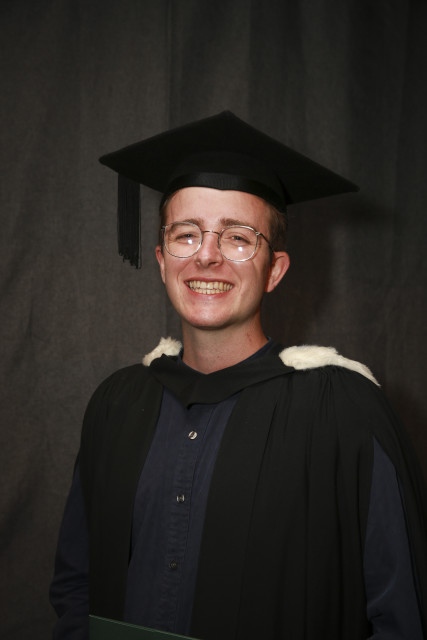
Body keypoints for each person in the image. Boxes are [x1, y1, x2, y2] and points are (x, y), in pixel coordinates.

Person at [50, 112, 427, 640]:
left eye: (238, 237)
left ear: (275, 270)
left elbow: (403, 617)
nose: (207, 256)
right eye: (186, 234)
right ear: (161, 261)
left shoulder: (345, 413)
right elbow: (77, 586)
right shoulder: (116, 404)